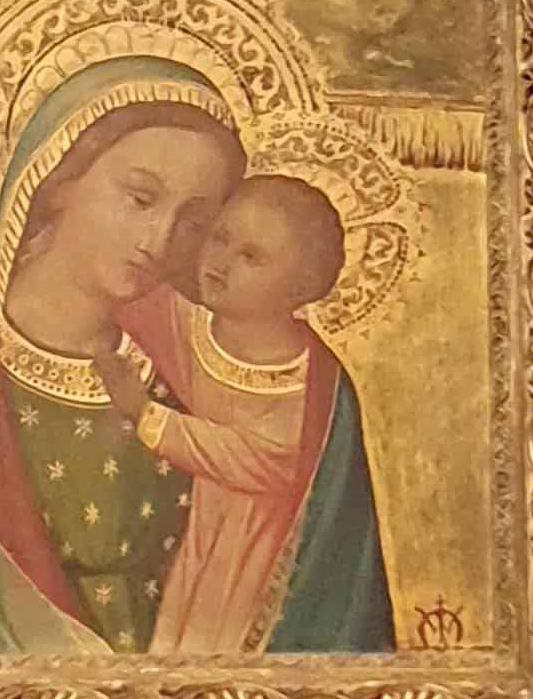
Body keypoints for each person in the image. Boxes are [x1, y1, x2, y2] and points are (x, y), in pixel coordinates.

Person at [0, 62, 397, 660]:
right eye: (140, 198)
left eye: (194, 221)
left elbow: (329, 617)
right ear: (59, 180)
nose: (159, 239)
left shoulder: (201, 365)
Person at [105, 175, 394, 658]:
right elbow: (120, 302)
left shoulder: (308, 382)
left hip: (251, 555)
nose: (222, 261)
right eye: (220, 237)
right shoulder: (184, 322)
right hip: (185, 537)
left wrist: (146, 415)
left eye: (251, 256)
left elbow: (253, 457)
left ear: (299, 288)